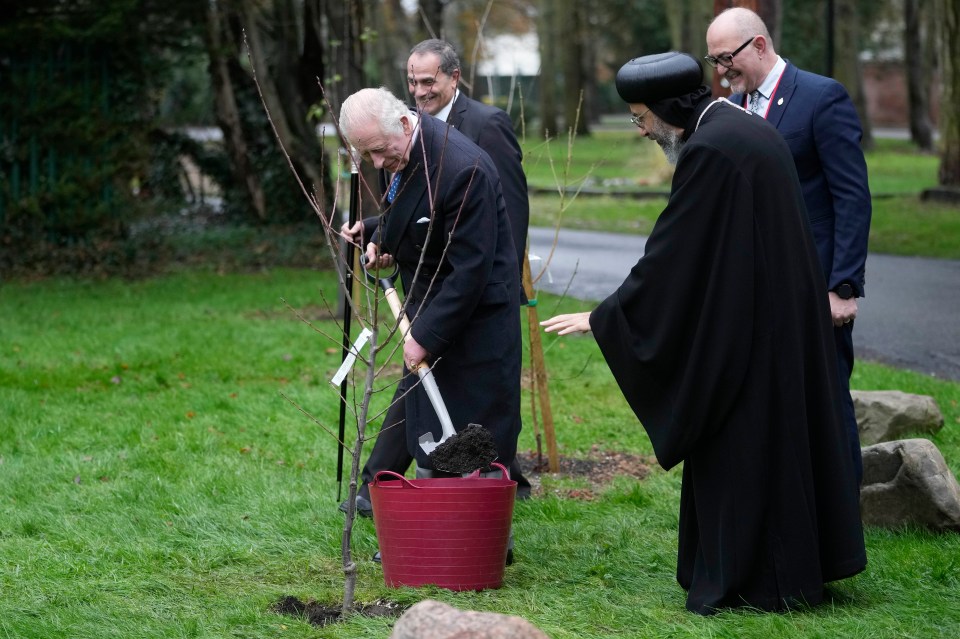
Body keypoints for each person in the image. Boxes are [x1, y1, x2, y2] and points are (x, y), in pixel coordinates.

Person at [541, 52, 866, 614]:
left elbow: (674, 254)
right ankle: (791, 569)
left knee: (744, 449)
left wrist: (605, 317)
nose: (642, 131)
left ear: (669, 109)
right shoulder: (740, 129)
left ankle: (756, 579)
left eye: (642, 118)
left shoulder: (713, 150)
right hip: (773, 320)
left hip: (750, 334)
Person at [341, 39, 532, 520]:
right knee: (427, 420)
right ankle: (427, 521)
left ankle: (479, 537)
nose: (380, 165)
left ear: (403, 123)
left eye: (382, 152)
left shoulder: (462, 166)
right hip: (436, 307)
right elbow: (419, 217)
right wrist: (378, 236)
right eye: (370, 157)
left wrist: (425, 336)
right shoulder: (408, 150)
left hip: (475, 321)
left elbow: (472, 266)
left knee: (474, 431)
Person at [706, 7, 872, 484]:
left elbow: (851, 198)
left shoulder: (822, 97)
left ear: (758, 45)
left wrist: (842, 285)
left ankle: (843, 509)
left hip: (816, 286)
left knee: (826, 397)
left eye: (725, 58)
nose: (721, 71)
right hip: (758, 289)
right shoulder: (733, 110)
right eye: (713, 60)